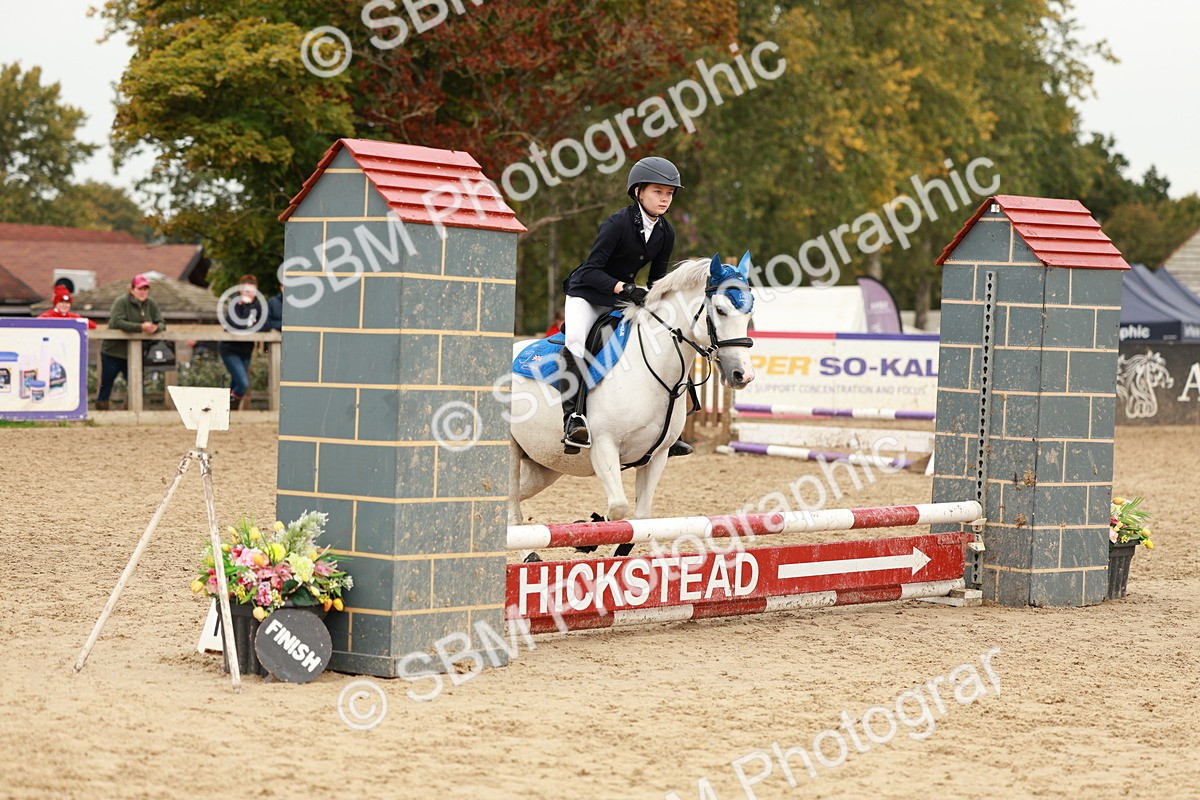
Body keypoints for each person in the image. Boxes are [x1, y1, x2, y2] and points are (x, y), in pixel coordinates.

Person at [558, 156, 692, 457]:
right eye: (658, 191)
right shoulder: (617, 223)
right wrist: (626, 288)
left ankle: (667, 429)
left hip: (623, 296)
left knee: (664, 339)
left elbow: (658, 280)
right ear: (638, 192)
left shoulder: (665, 232)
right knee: (578, 341)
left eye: (669, 193)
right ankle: (573, 419)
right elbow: (592, 270)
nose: (665, 198)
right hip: (588, 292)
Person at [97, 274, 165, 410]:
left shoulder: (150, 304)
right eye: (140, 289)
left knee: (137, 383)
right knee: (107, 383)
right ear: (132, 289)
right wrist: (140, 327)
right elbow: (117, 321)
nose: (143, 292)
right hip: (113, 351)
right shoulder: (121, 302)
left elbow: (161, 322)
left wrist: (156, 328)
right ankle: (101, 409)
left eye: (146, 289)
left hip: (135, 353)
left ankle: (132, 409)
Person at [220, 275, 262, 409]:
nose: (250, 294)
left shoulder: (258, 306)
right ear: (241, 291)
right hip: (230, 349)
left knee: (236, 385)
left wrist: (250, 312)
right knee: (243, 384)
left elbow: (265, 325)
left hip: (246, 351)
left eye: (253, 291)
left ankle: (226, 413)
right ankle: (229, 409)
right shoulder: (234, 305)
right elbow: (234, 326)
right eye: (247, 291)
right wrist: (250, 321)